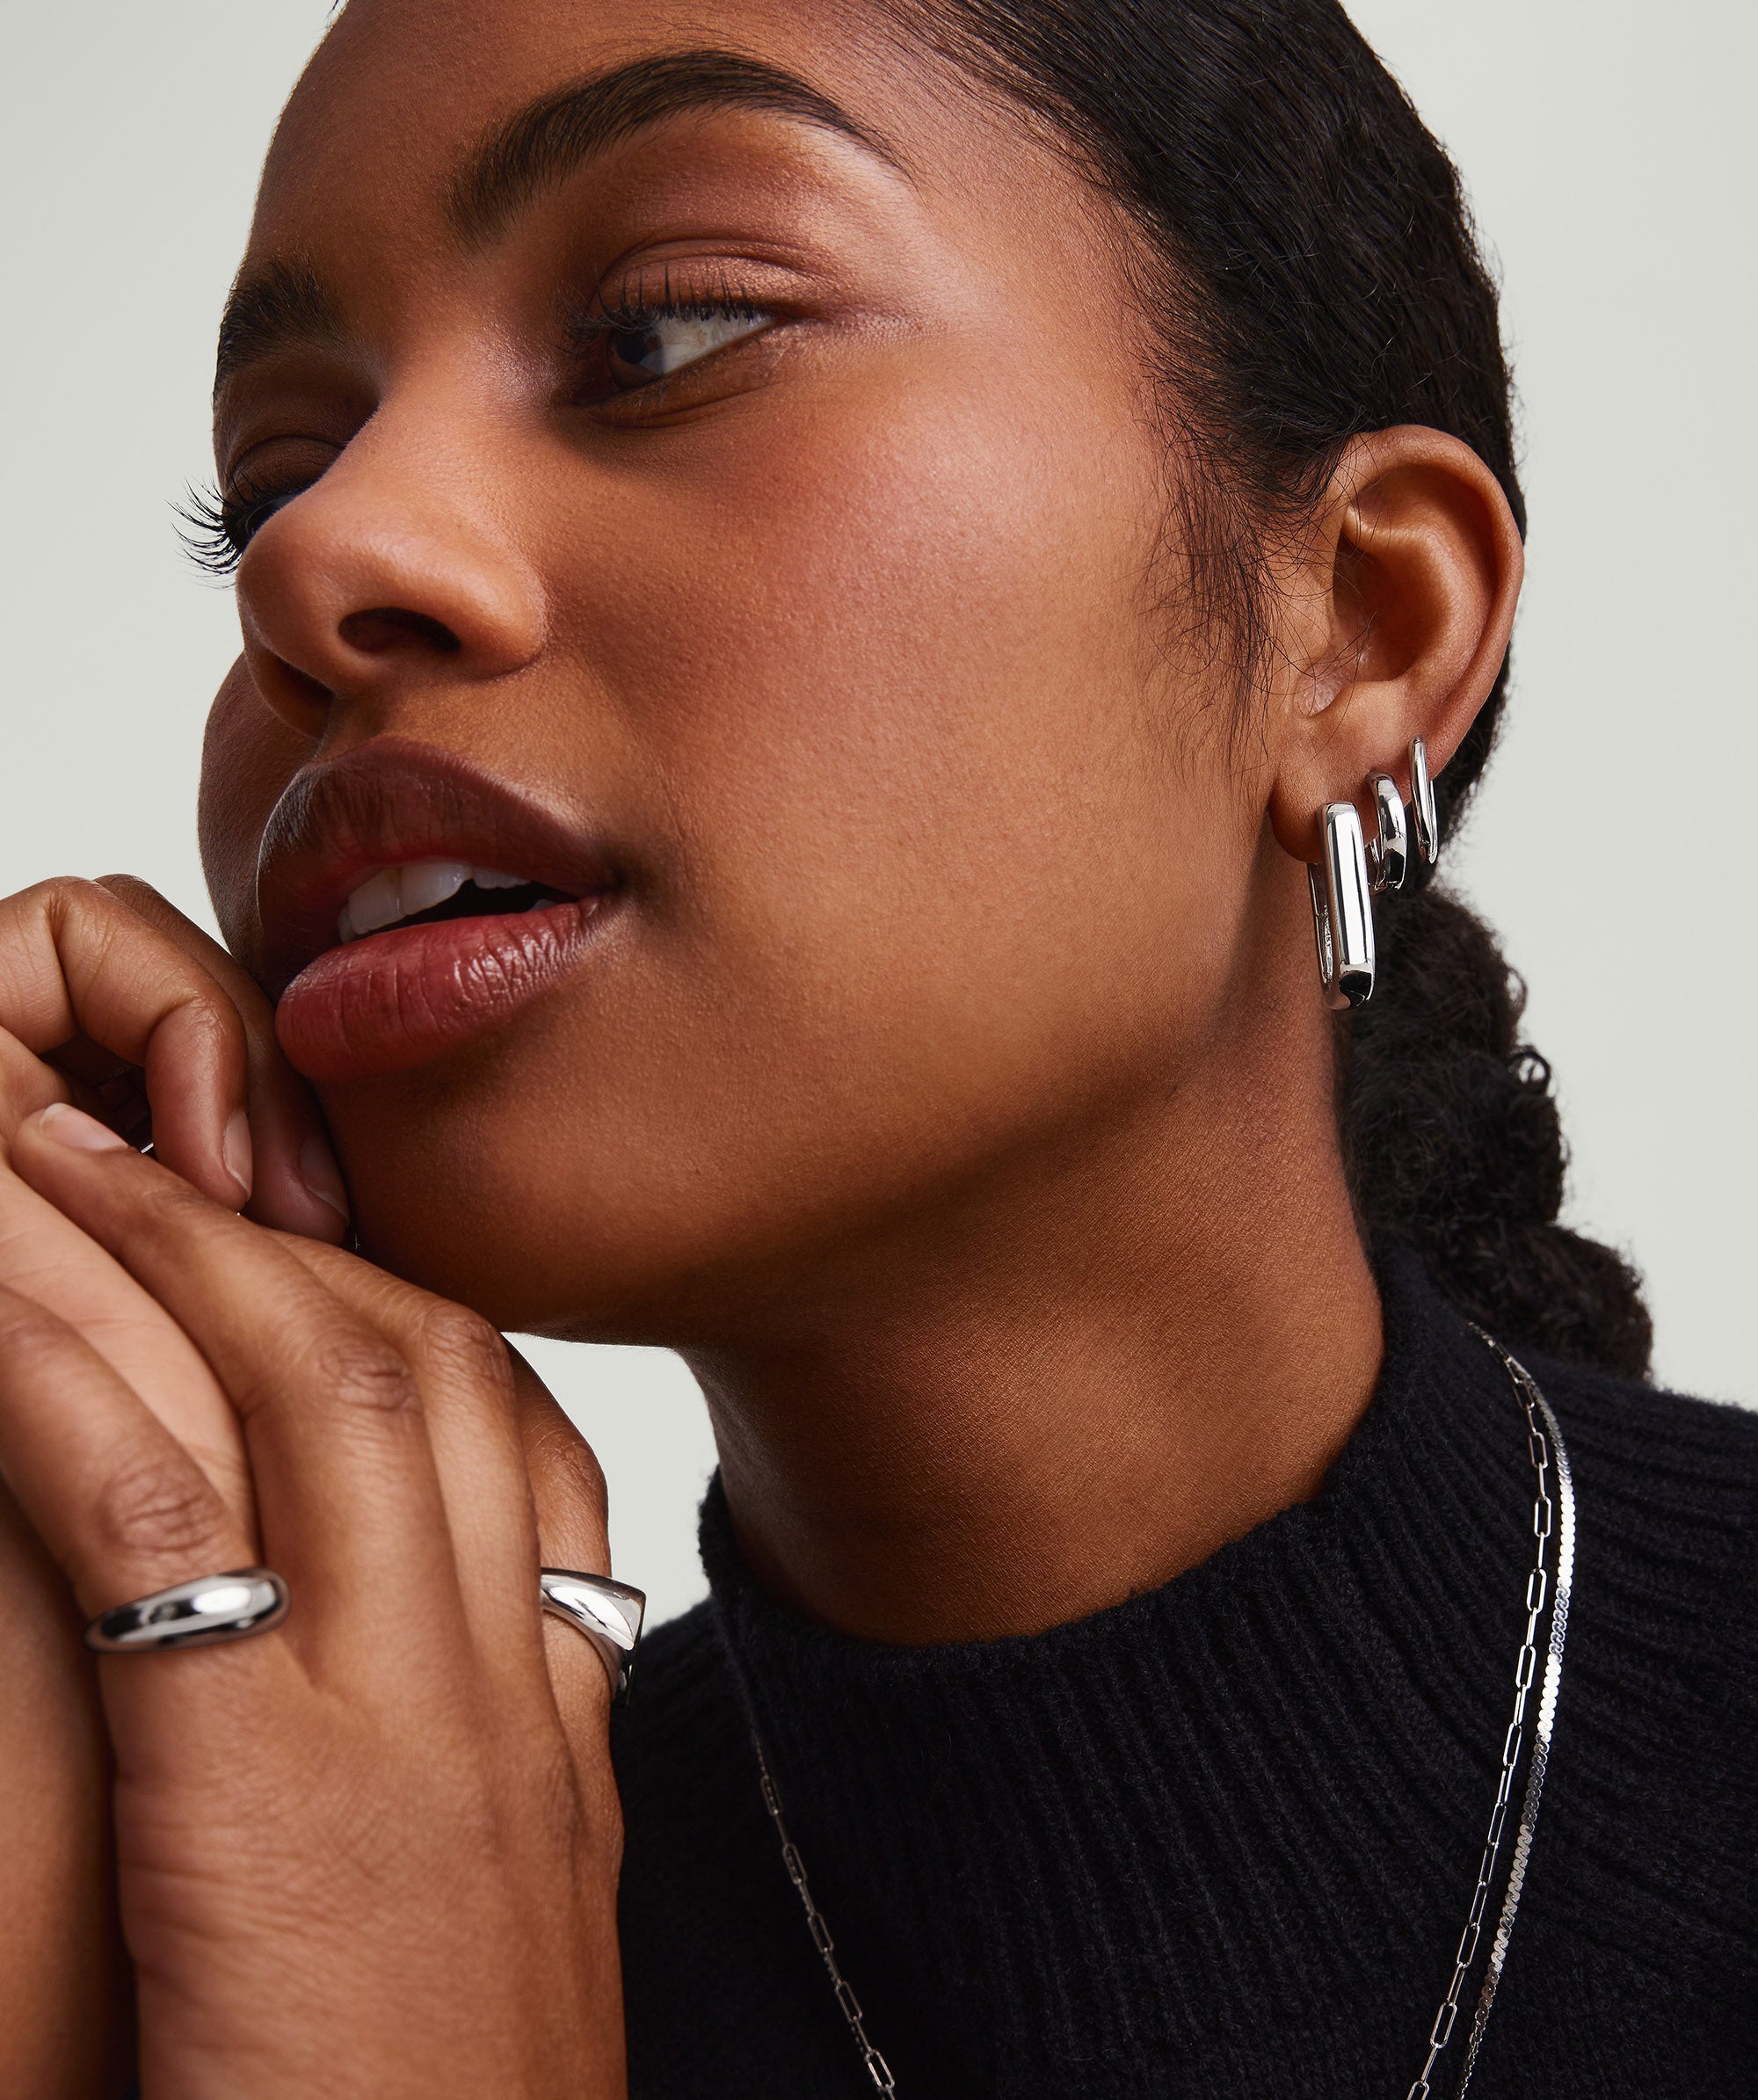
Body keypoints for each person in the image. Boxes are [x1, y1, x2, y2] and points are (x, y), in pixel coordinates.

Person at [0, 0, 1751, 2092]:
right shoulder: (188, 1916)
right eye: (272, 478)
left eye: (664, 333)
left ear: (1360, 629)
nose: (314, 557)